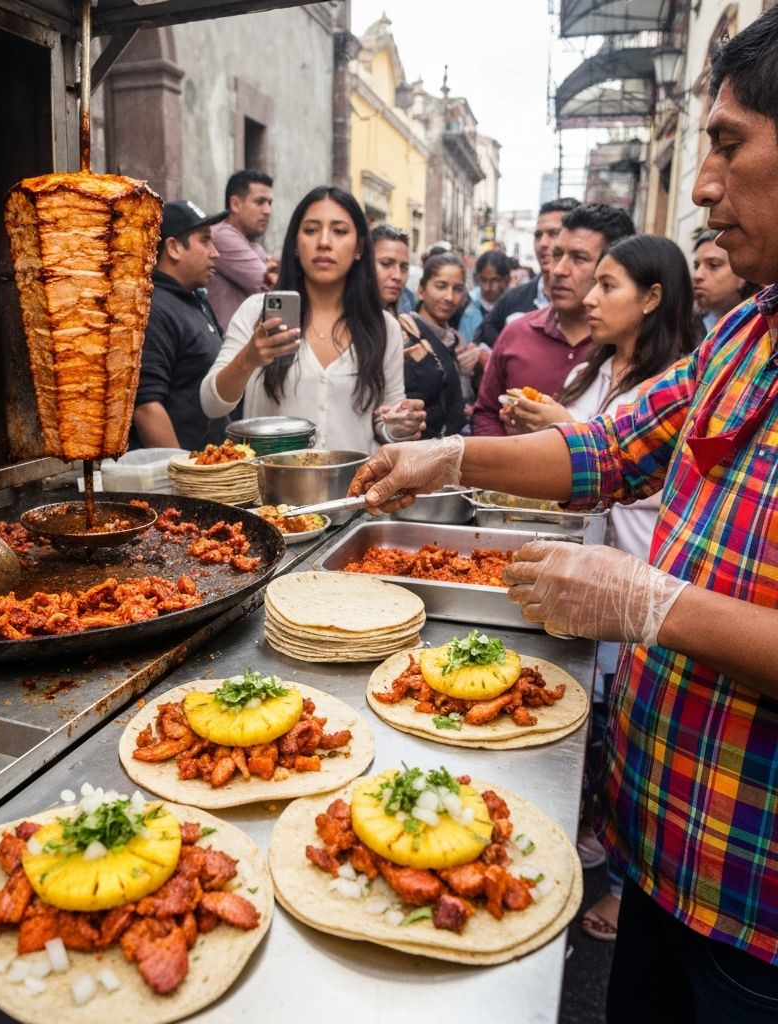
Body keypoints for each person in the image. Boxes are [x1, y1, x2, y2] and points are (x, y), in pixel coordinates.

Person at [350, 10, 778, 1019]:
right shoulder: (745, 330)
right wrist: (450, 453)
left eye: (725, 143)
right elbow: (609, 450)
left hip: (759, 913)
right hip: (662, 858)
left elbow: (655, 588)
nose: (704, 184)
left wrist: (648, 604)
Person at [508, 234, 697, 940]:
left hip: (641, 572)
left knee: (628, 719)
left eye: (608, 285)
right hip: (591, 566)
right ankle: (607, 842)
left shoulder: (676, 376)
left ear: (653, 298)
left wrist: (563, 429)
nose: (589, 295)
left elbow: (618, 462)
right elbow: (595, 453)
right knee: (607, 722)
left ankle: (620, 874)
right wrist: (465, 455)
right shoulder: (599, 366)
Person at [200, 186, 425, 452]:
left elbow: (384, 421)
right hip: (269, 488)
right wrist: (249, 358)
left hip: (354, 490)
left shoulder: (383, 326)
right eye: (310, 230)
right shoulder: (256, 312)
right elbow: (212, 404)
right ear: (295, 245)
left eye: (340, 231)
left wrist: (400, 425)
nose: (324, 242)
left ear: (359, 248)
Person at [472, 202, 635, 436]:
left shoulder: (628, 349)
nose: (558, 270)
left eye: (579, 258)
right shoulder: (516, 332)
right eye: (557, 255)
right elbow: (486, 413)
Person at [131, 200, 229, 450]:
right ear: (173, 248)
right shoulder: (154, 310)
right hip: (182, 481)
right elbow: (146, 407)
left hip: (210, 474)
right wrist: (178, 480)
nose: (215, 252)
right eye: (205, 241)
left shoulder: (196, 300)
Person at [372, 226, 465, 440]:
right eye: (386, 264)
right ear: (421, 290)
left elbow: (392, 414)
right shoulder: (405, 329)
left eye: (404, 267)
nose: (397, 276)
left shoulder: (394, 326)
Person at [475, 197, 579, 347]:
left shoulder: (590, 303)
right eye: (538, 235)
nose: (543, 243)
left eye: (554, 233)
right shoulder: (514, 299)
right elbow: (483, 334)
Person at [413, 253, 480, 427]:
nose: (450, 297)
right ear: (421, 291)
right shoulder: (406, 337)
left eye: (457, 289)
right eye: (441, 286)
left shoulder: (457, 340)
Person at [205, 170, 277, 332]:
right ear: (235, 204)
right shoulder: (222, 237)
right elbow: (273, 285)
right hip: (225, 350)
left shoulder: (254, 246)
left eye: (269, 203)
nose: (267, 211)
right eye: (260, 202)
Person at [691, 227, 755, 339]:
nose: (697, 275)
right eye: (696, 266)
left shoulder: (764, 328)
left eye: (713, 265)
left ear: (742, 275)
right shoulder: (680, 328)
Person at [457, 249, 511, 342]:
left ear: (506, 280)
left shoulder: (513, 307)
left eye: (494, 280)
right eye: (483, 280)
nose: (487, 287)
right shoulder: (465, 303)